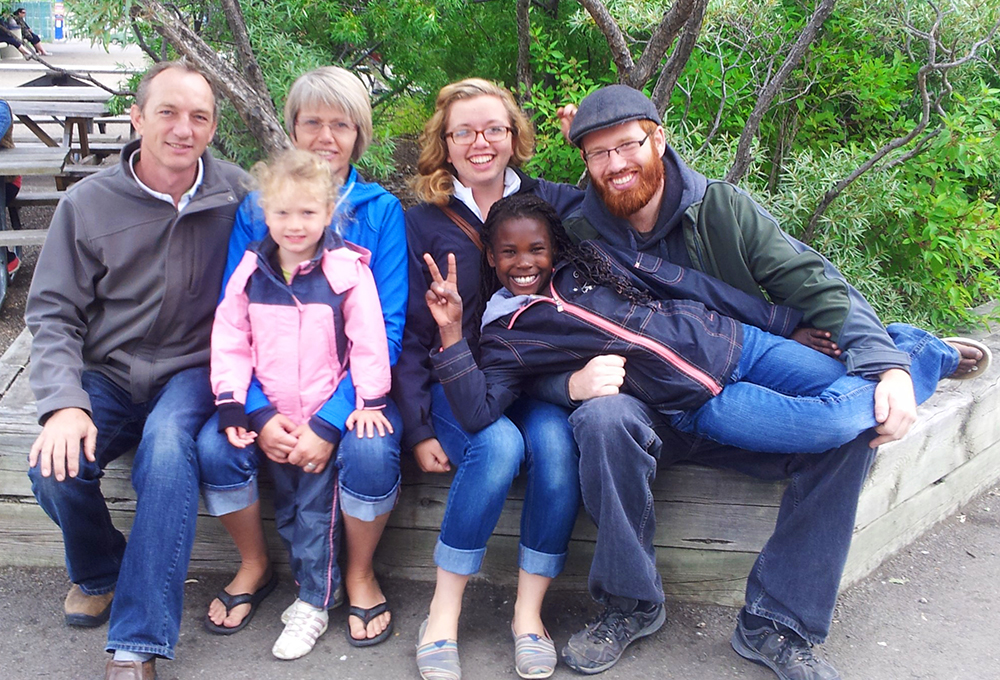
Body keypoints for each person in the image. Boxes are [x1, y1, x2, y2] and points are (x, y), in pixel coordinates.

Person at [548, 84, 988, 679]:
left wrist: (884, 369)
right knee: (602, 419)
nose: (616, 165)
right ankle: (628, 605)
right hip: (653, 404)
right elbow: (536, 318)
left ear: (658, 137)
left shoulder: (720, 209)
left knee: (851, 432)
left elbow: (814, 281)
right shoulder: (574, 229)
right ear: (585, 161)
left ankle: (777, 623)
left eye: (627, 145)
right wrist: (571, 384)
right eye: (599, 153)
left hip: (739, 386)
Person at [423, 193, 987, 455]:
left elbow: (691, 286)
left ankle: (900, 355)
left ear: (554, 248)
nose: (525, 262)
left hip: (743, 344)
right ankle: (916, 350)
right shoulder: (505, 338)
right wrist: (451, 334)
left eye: (536, 249)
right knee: (828, 427)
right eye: (509, 253)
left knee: (858, 386)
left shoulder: (591, 262)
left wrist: (783, 323)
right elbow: (476, 411)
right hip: (702, 400)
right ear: (491, 260)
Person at [25, 60, 248, 680]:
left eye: (199, 116)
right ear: (137, 116)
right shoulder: (87, 204)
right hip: (112, 372)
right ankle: (102, 571)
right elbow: (52, 314)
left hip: (194, 368)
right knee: (54, 466)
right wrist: (63, 403)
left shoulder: (236, 194)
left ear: (212, 125)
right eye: (168, 112)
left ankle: (138, 643)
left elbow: (297, 249)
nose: (184, 128)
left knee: (169, 452)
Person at [196, 65, 407, 648]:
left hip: (343, 392)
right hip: (267, 388)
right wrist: (257, 413)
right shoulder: (258, 208)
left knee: (366, 449)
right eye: (312, 121)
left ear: (359, 133)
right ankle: (255, 564)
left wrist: (329, 420)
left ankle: (357, 575)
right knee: (218, 443)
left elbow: (381, 331)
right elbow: (234, 320)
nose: (325, 136)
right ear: (292, 128)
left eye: (341, 124)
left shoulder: (381, 210)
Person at [397, 78, 584, 680]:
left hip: (530, 380)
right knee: (498, 443)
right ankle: (442, 613)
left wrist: (586, 140)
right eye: (465, 132)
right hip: (454, 385)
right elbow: (403, 329)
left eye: (494, 129)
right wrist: (419, 425)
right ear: (444, 143)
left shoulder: (547, 203)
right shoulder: (421, 221)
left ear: (514, 136)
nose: (481, 142)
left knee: (556, 444)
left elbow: (622, 198)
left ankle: (528, 615)